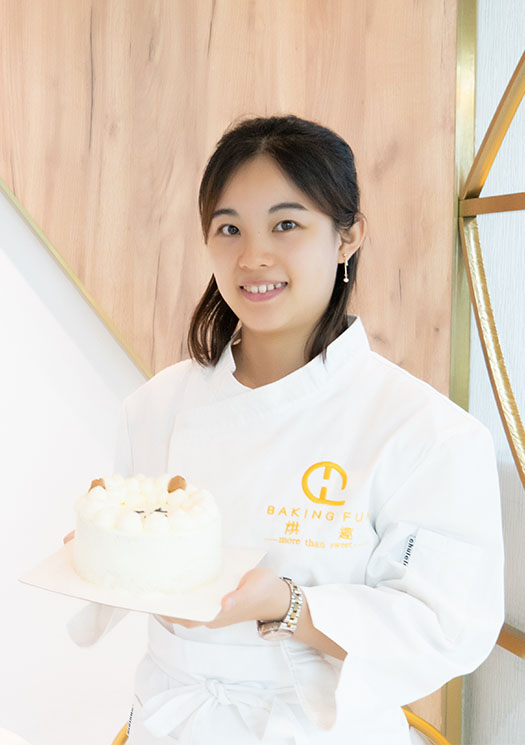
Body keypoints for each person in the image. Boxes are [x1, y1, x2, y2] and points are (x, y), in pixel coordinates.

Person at [66, 114, 505, 744]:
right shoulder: (155, 406)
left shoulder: (425, 432)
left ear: (348, 237)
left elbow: (448, 626)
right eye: (229, 228)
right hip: (170, 723)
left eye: (286, 225)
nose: (253, 257)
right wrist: (105, 550)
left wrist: (290, 606)